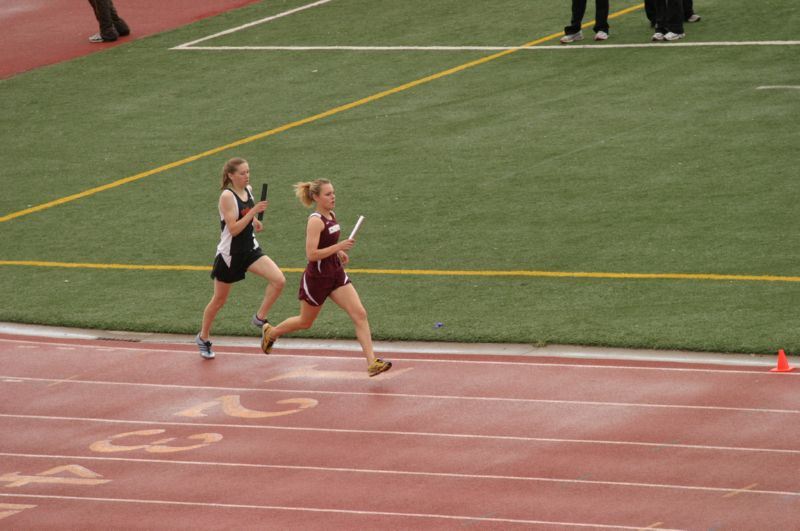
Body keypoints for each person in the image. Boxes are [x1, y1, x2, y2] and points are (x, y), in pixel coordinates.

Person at [260, 179, 392, 377]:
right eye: (328, 194)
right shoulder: (315, 220)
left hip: (336, 273)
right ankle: (272, 332)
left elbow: (328, 242)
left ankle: (372, 362)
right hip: (317, 278)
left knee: (360, 314)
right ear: (316, 197)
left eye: (333, 193)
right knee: (305, 322)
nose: (333, 197)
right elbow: (311, 254)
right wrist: (338, 248)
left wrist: (338, 254)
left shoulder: (331, 215)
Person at [196, 158, 286, 360]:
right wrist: (254, 212)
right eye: (242, 173)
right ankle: (203, 337)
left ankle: (259, 318)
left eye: (248, 172)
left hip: (250, 250)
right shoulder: (227, 196)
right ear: (231, 175)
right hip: (230, 255)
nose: (247, 176)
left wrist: (255, 222)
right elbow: (234, 229)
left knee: (279, 280)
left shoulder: (249, 190)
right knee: (219, 301)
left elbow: (245, 217)